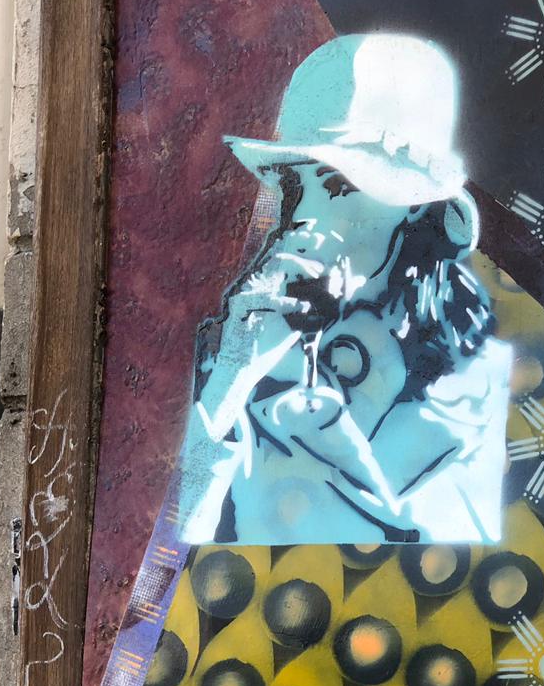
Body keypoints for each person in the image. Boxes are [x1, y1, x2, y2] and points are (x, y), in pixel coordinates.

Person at [175, 33, 512, 545]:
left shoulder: (471, 388)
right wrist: (230, 380)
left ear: (413, 208)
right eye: (295, 187)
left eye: (338, 185)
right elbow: (173, 553)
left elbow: (436, 556)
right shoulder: (244, 347)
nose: (306, 220)